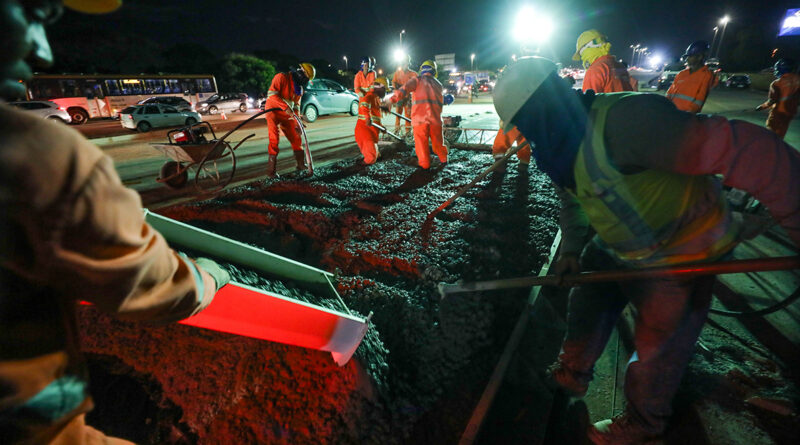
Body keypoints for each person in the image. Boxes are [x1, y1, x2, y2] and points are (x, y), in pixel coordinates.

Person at [493, 56, 800, 444]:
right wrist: (571, 247)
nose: (523, 136)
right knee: (590, 291)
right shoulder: (559, 148)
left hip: (683, 247)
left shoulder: (627, 123)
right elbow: (575, 198)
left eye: (524, 125)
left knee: (659, 348)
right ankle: (573, 371)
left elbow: (751, 152)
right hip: (627, 243)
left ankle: (644, 421)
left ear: (541, 109)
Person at [0, 1, 232, 443]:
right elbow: (151, 282)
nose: (44, 52)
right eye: (33, 12)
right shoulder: (37, 155)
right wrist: (210, 278)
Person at [385, 60, 448, 169]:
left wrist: (391, 100)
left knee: (421, 145)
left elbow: (403, 90)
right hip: (436, 121)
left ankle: (425, 166)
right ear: (434, 71)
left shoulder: (417, 80)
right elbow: (441, 101)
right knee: (438, 144)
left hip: (420, 121)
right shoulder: (439, 85)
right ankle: (444, 160)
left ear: (422, 70)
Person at [264, 63, 316, 178]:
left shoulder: (299, 90)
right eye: (306, 75)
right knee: (274, 139)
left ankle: (301, 164)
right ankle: (271, 171)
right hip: (273, 111)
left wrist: (298, 123)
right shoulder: (281, 77)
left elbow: (296, 106)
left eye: (308, 78)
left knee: (296, 137)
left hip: (287, 114)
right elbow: (272, 96)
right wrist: (286, 107)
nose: (305, 78)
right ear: (300, 71)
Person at [573, 29, 633, 93]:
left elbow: (589, 100)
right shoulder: (619, 66)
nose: (582, 58)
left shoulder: (595, 70)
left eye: (581, 54)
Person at [666, 41, 718, 113]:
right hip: (671, 113)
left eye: (690, 56)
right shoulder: (681, 74)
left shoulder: (707, 75)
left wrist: (688, 115)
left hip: (686, 117)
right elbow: (669, 94)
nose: (687, 59)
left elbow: (700, 99)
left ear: (700, 57)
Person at [756, 58, 800, 139]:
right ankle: (779, 147)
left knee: (771, 134)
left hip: (778, 112)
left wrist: (761, 107)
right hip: (790, 112)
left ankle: (770, 148)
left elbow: (771, 101)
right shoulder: (798, 79)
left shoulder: (776, 83)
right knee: (781, 133)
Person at [354, 78, 388, 165]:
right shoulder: (369, 95)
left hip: (371, 132)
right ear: (379, 87)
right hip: (364, 130)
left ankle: (366, 161)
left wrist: (381, 126)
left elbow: (376, 117)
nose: (385, 93)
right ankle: (358, 169)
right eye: (384, 89)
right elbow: (364, 105)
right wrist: (367, 118)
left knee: (376, 155)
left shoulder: (376, 99)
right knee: (371, 158)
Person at [392, 54, 417, 134]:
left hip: (408, 98)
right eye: (403, 62)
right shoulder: (397, 73)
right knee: (398, 115)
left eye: (406, 62)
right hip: (400, 97)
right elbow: (394, 83)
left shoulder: (413, 74)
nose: (404, 64)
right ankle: (397, 130)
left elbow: (416, 85)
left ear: (409, 63)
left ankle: (408, 132)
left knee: (408, 116)